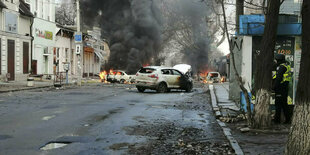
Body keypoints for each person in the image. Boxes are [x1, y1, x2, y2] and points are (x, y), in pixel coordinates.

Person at [273, 54, 292, 124]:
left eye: (276, 60)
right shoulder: (287, 66)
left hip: (280, 88)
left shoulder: (281, 67)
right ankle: (288, 119)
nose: (275, 61)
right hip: (285, 87)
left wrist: (274, 87)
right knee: (284, 104)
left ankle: (277, 121)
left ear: (279, 60)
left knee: (278, 105)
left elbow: (278, 79)